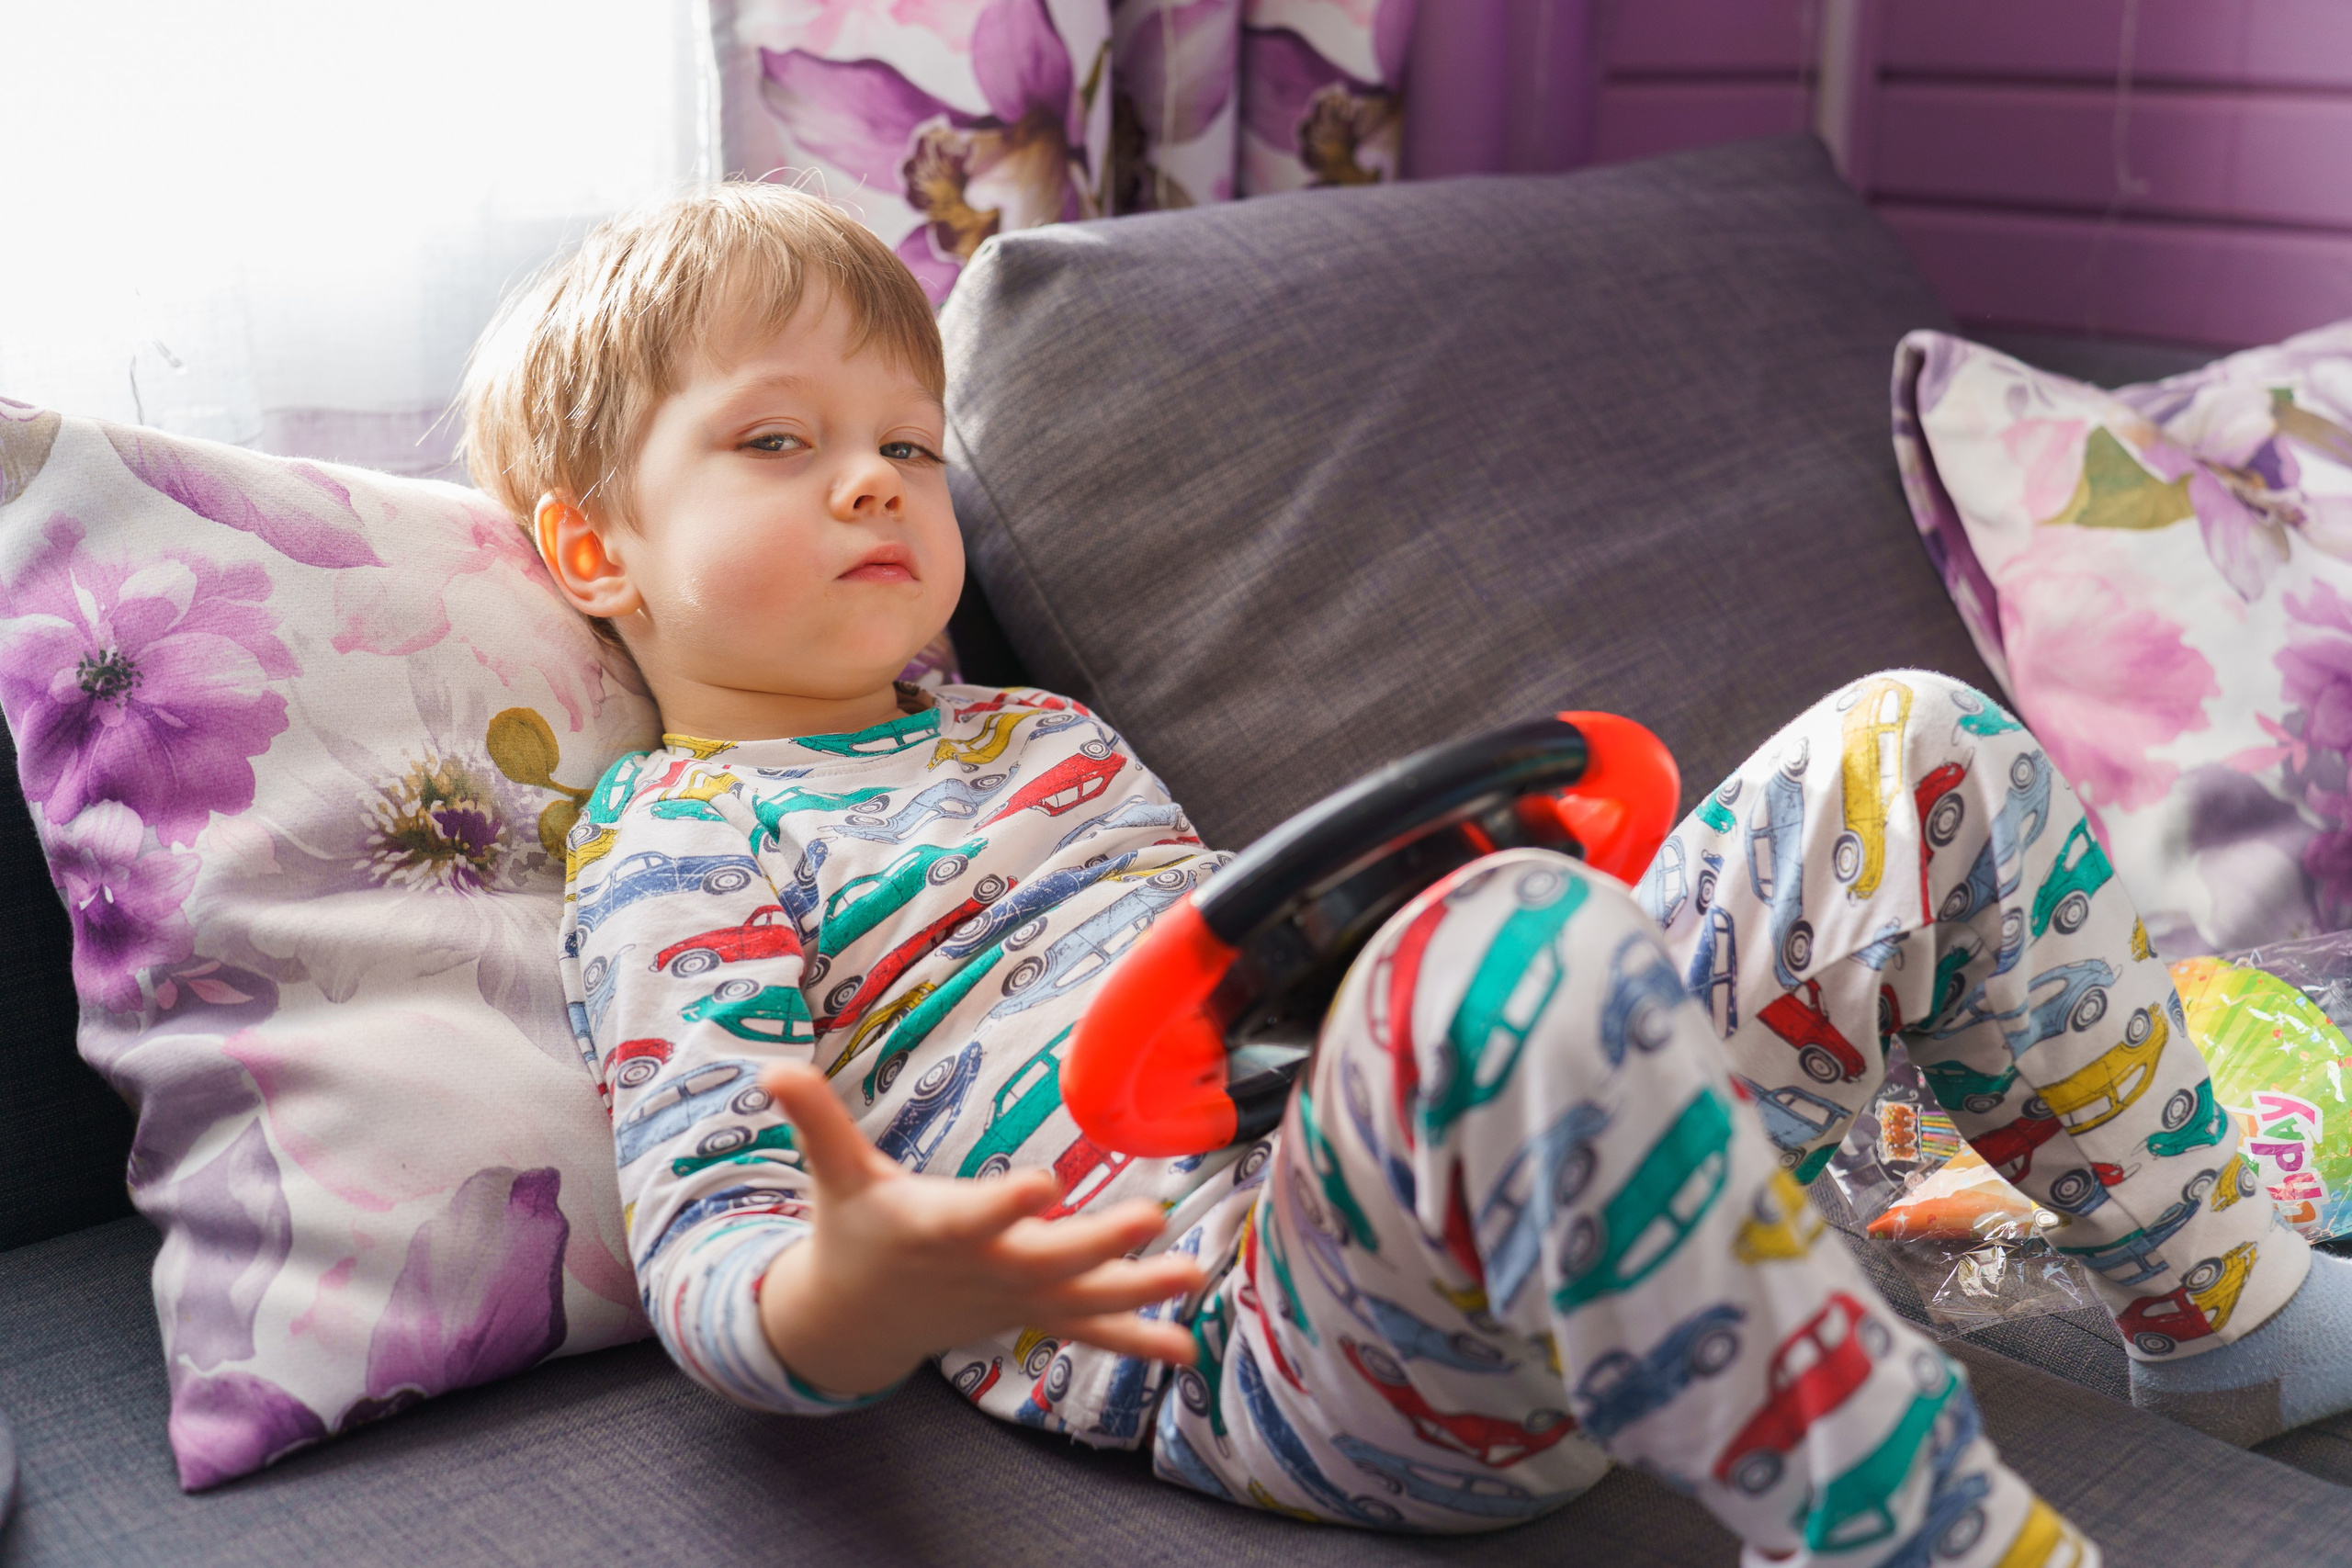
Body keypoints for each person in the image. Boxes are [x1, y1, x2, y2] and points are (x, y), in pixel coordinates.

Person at [458, 182, 2352, 1567]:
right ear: (592, 547)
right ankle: (1903, 1525)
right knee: (1506, 944)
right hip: (1257, 1329)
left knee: (1904, 746)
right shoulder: (675, 834)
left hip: (1462, 1158)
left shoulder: (1041, 734)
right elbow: (706, 1229)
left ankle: (2220, 1317)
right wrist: (846, 1290)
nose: (876, 482)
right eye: (778, 443)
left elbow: (1252, 992)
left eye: (904, 443)